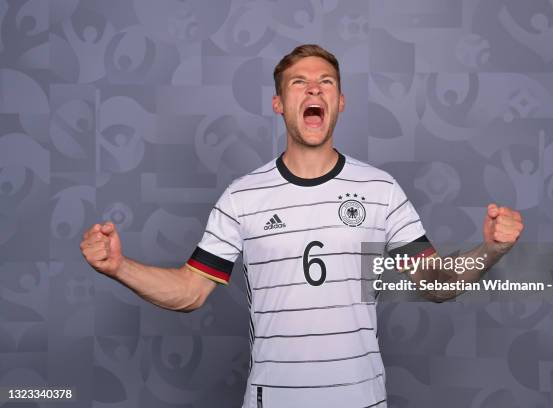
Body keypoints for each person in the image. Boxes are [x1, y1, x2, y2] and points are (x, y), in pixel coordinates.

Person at [80, 44, 523, 408]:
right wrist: (121, 267)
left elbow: (435, 283)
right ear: (279, 103)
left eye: (326, 82)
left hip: (362, 400)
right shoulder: (242, 197)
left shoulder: (381, 189)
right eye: (300, 83)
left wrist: (491, 250)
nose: (314, 88)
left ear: (340, 103)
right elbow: (190, 291)